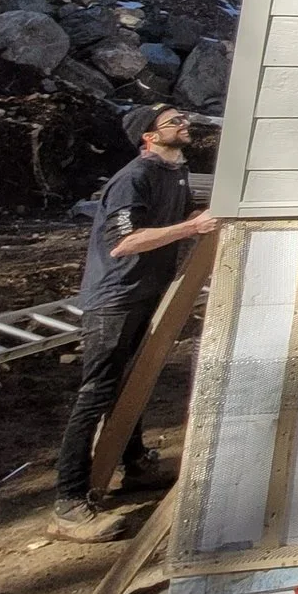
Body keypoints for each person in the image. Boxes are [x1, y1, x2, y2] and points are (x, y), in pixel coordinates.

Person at [49, 105, 215, 542]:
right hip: (116, 297)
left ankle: (134, 463)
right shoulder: (134, 178)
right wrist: (190, 228)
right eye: (173, 123)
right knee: (97, 391)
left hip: (145, 292)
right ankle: (67, 502)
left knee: (134, 379)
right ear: (148, 136)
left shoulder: (176, 172)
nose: (184, 126)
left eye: (184, 120)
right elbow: (124, 243)